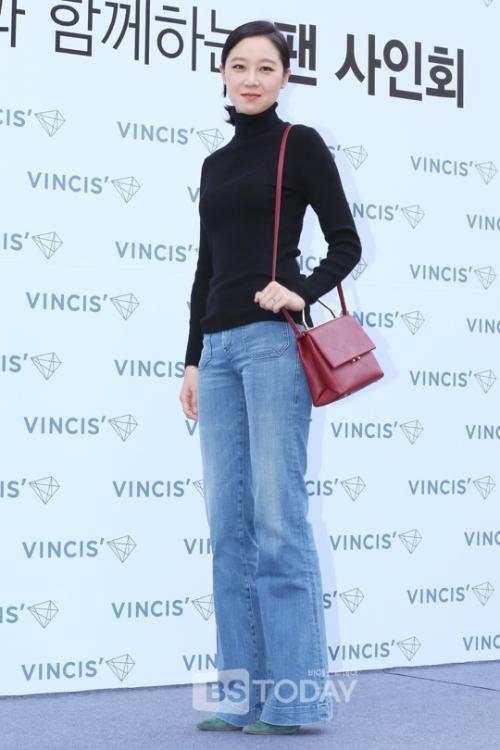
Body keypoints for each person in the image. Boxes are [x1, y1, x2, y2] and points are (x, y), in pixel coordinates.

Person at [179, 19, 361, 736]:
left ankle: (295, 701)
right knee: (228, 529)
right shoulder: (215, 165)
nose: (250, 78)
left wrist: (300, 290)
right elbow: (207, 268)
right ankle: (239, 695)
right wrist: (193, 359)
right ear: (223, 74)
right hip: (219, 353)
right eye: (239, 66)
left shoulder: (299, 144)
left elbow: (345, 242)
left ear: (284, 78)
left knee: (278, 524)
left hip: (272, 347)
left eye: (265, 67)